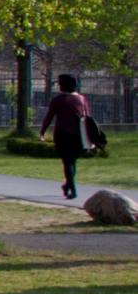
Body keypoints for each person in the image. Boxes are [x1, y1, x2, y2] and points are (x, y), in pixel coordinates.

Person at [39, 72, 93, 200]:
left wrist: (42, 131)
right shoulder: (82, 99)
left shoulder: (58, 99)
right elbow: (88, 117)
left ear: (62, 85)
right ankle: (68, 185)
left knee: (67, 162)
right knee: (72, 162)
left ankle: (72, 189)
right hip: (78, 136)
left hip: (62, 134)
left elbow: (49, 116)